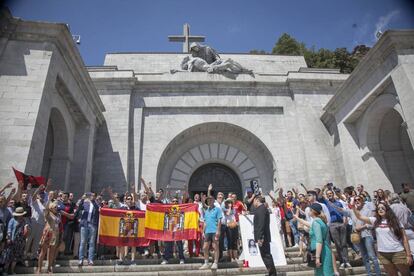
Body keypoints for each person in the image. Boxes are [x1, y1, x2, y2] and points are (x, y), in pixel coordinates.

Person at [352, 201, 413, 276]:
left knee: (406, 274)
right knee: (392, 274)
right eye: (378, 208)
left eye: (382, 208)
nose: (380, 210)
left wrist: (408, 255)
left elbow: (404, 239)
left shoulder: (396, 221)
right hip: (383, 253)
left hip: (397, 252)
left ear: (387, 210)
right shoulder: (375, 221)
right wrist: (353, 207)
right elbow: (359, 216)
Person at [294, 203, 334, 276]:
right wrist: (297, 218)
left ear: (313, 211)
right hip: (323, 250)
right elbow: (309, 224)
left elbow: (319, 240)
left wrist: (317, 257)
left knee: (324, 273)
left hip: (321, 252)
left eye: (309, 210)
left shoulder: (316, 222)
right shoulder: (319, 221)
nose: (308, 212)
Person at [253, 195, 277, 276]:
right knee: (265, 255)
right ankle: (271, 272)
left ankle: (272, 273)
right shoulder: (261, 209)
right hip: (263, 236)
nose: (253, 203)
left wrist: (260, 237)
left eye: (254, 200)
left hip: (263, 237)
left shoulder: (261, 209)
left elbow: (261, 224)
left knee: (266, 255)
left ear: (257, 200)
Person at [3, 207, 28, 274]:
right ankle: (5, 270)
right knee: (8, 256)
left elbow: (26, 231)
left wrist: (26, 228)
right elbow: (9, 230)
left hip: (20, 241)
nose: (21, 216)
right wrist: (9, 238)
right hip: (12, 240)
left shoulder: (24, 221)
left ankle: (12, 270)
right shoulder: (12, 220)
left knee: (16, 257)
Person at [37, 201, 60, 274]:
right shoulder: (48, 214)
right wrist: (49, 200)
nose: (56, 208)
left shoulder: (58, 215)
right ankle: (39, 269)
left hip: (55, 234)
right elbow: (46, 209)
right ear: (51, 208)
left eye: (57, 207)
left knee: (52, 252)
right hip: (48, 233)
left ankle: (49, 268)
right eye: (55, 207)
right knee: (43, 252)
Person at [77, 192, 99, 266]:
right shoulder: (85, 203)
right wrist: (82, 199)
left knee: (92, 243)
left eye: (93, 195)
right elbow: (79, 208)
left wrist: (93, 201)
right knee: (83, 242)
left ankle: (90, 260)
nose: (92, 197)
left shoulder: (97, 204)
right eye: (91, 195)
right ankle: (81, 259)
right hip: (84, 224)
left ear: (95, 197)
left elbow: (98, 209)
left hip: (93, 224)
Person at [199, 196, 222, 270]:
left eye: (210, 200)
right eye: (208, 200)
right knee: (205, 248)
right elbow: (205, 222)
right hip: (207, 232)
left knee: (215, 247)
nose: (209, 201)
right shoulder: (207, 210)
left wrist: (218, 230)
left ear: (213, 201)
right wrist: (203, 232)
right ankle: (206, 263)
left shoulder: (217, 209)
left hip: (215, 231)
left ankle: (215, 263)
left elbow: (219, 221)